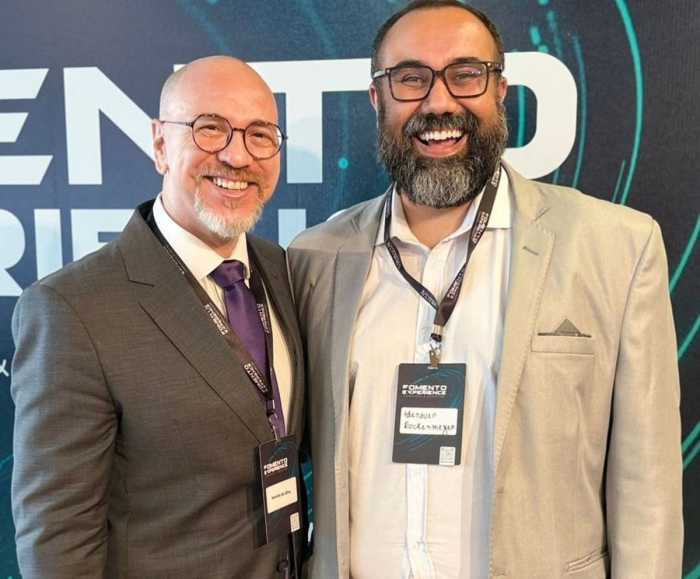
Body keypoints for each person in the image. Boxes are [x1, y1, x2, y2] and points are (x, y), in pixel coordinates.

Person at [287, 1, 683, 577]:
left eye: (466, 74)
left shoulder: (617, 247)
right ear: (377, 98)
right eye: (410, 78)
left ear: (500, 90)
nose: (439, 102)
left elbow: (647, 485)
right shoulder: (315, 258)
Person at [11, 55, 305, 578]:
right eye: (210, 129)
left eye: (260, 135)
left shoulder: (284, 270)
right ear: (160, 144)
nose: (238, 155)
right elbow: (58, 538)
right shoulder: (72, 309)